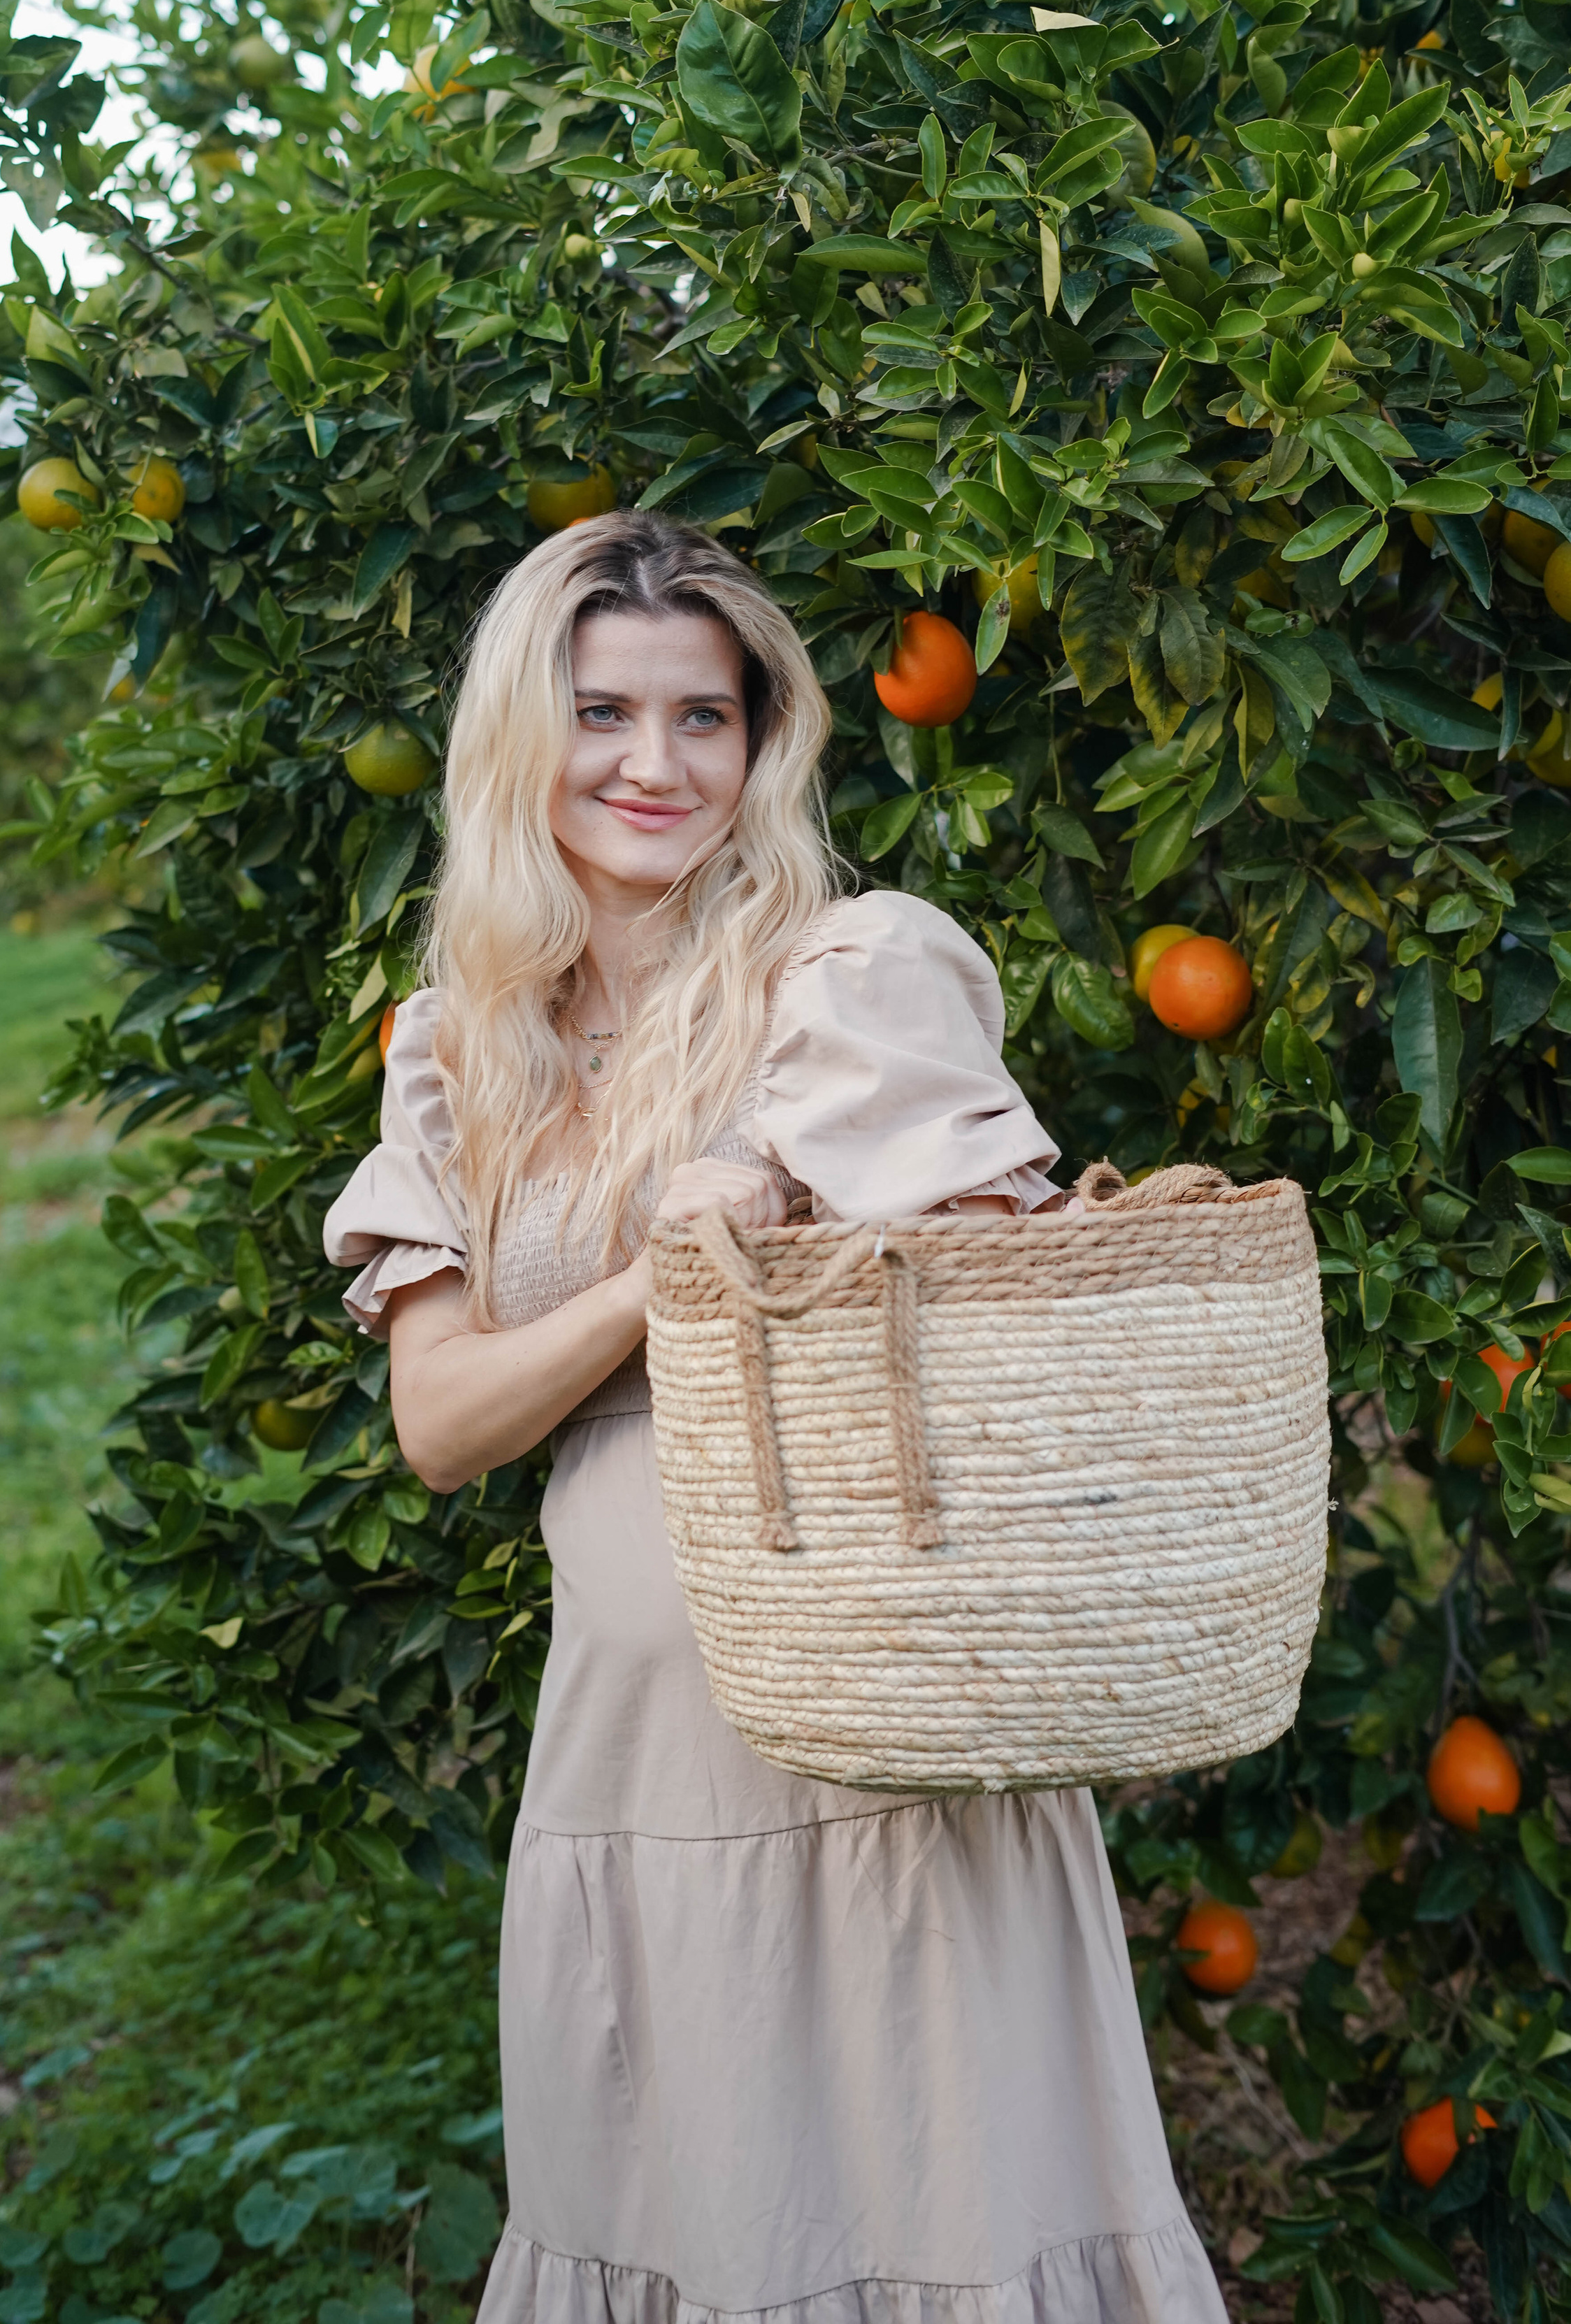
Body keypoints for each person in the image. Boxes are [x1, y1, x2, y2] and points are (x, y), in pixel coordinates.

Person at [324, 511, 1226, 2324]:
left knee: (937, 2212)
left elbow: (986, 1334)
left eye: (703, 718)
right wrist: (656, 1282)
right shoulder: (460, 1046)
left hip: (880, 1743)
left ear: (761, 743)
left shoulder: (841, 975)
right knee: (689, 2226)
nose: (653, 766)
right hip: (632, 1764)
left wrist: (824, 1221)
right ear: (524, 737)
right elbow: (442, 1421)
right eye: (603, 713)